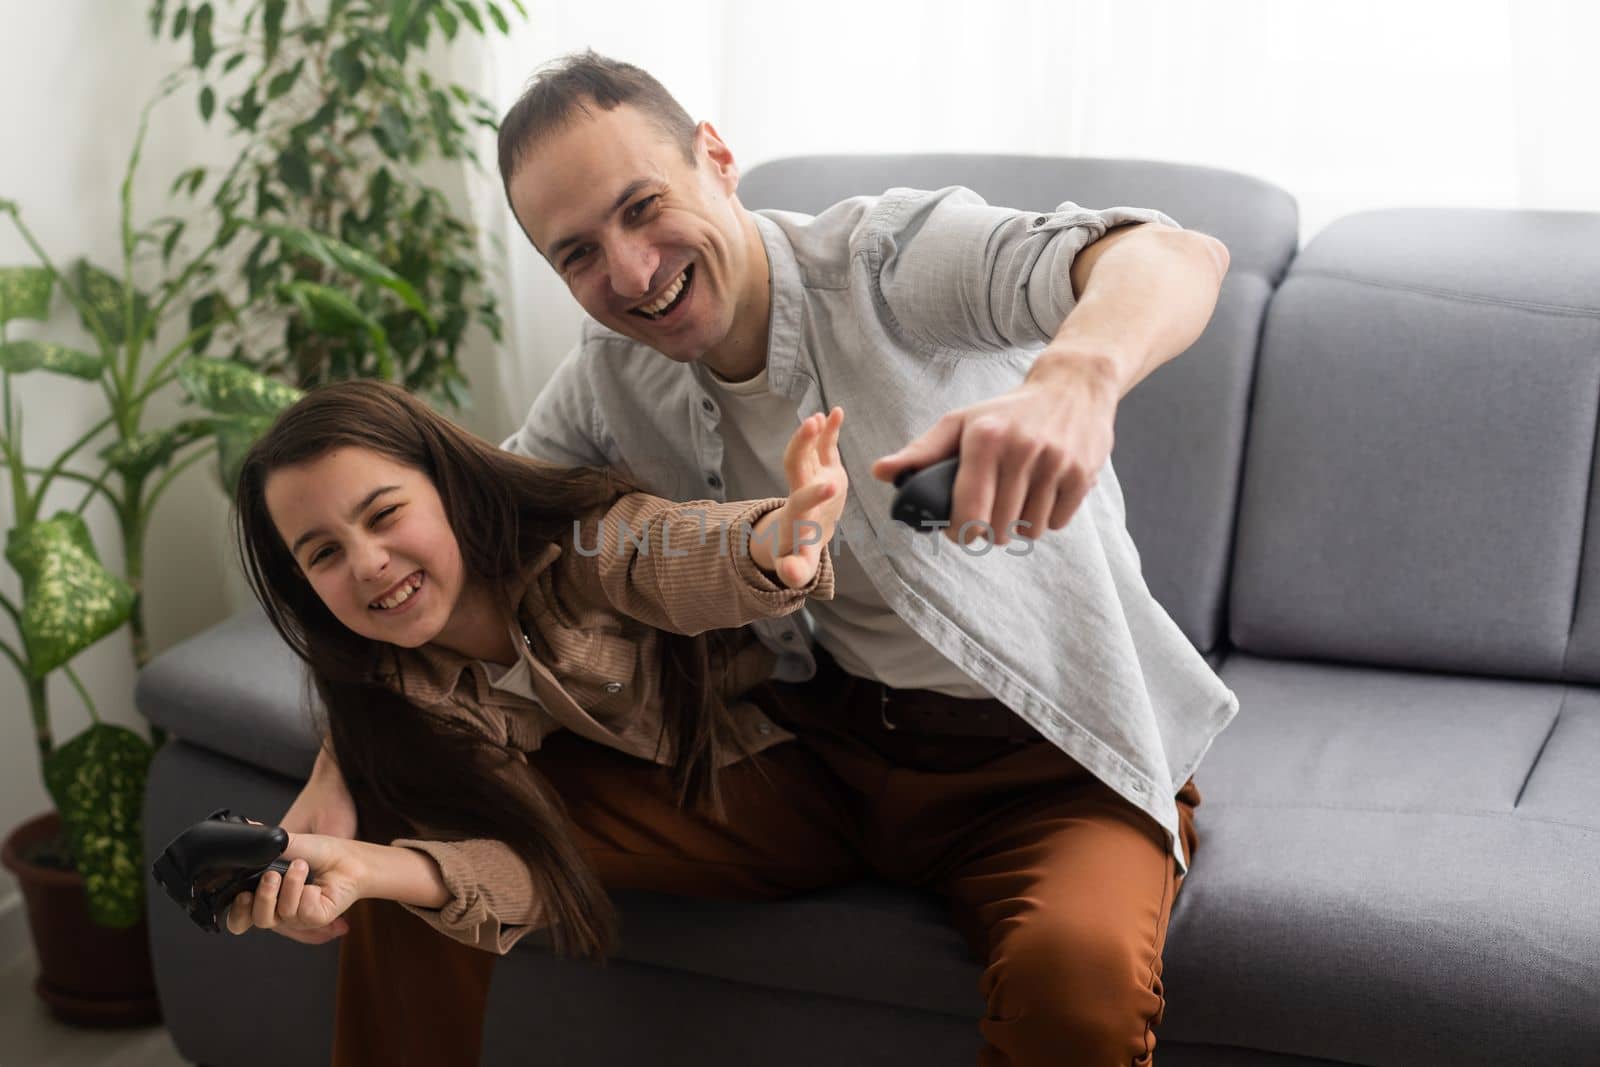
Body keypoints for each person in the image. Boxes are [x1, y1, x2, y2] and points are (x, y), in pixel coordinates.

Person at [275, 52, 1240, 1067]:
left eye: (644, 206)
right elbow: (472, 536)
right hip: (805, 754)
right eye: (580, 255)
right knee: (400, 828)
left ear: (717, 159)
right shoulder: (608, 377)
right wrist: (344, 762)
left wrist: (1075, 379)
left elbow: (1176, 256)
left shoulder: (890, 262)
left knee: (1076, 992)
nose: (634, 272)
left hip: (1048, 767)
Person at [223, 377, 849, 955]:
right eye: (325, 553)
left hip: (763, 780)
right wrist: (363, 869)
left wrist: (773, 541)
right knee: (391, 819)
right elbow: (532, 875)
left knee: (390, 820)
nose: (366, 563)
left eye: (385, 515)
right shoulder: (399, 691)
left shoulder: (573, 542)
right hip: (632, 787)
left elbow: (662, 554)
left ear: (450, 486)